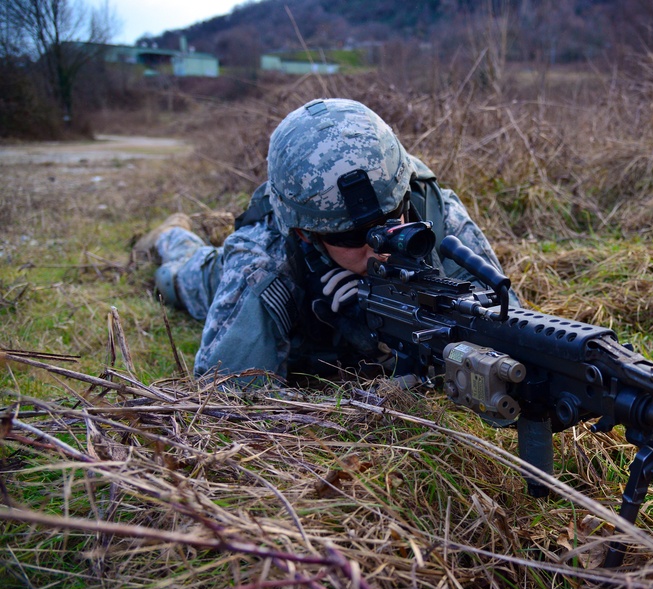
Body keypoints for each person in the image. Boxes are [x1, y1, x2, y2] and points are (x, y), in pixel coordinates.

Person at [136, 98, 515, 384]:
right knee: (182, 277)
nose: (378, 248)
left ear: (404, 194)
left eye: (389, 221)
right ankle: (170, 235)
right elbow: (229, 392)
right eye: (350, 237)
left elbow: (509, 327)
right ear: (307, 234)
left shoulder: (435, 211)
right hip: (217, 275)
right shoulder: (263, 254)